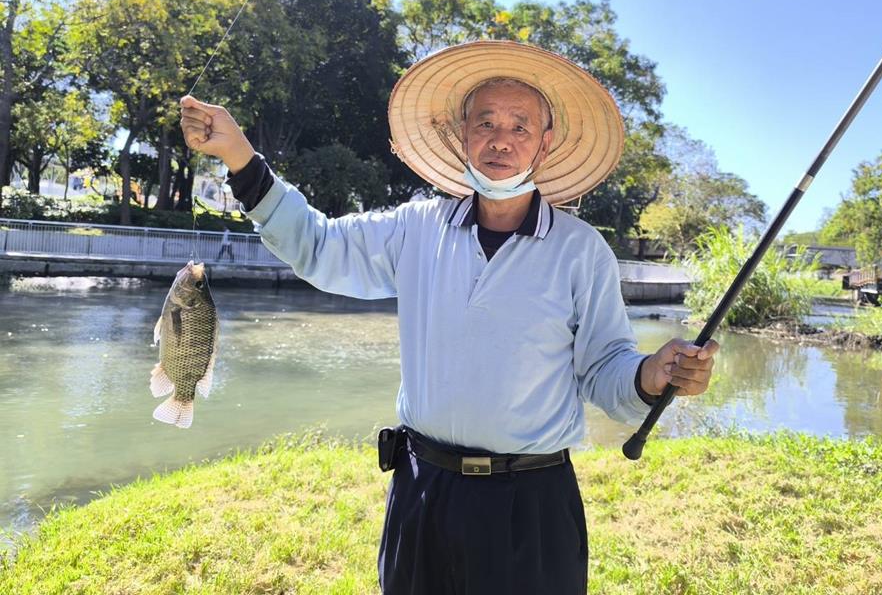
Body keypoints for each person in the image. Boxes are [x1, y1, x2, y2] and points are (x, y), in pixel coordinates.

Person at [179, 40, 719, 595]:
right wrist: (240, 156)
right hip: (423, 488)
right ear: (462, 134)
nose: (500, 140)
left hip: (532, 500)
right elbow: (318, 246)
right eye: (485, 122)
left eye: (520, 126)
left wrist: (651, 374)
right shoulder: (415, 228)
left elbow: (605, 369)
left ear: (545, 143)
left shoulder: (580, 250)